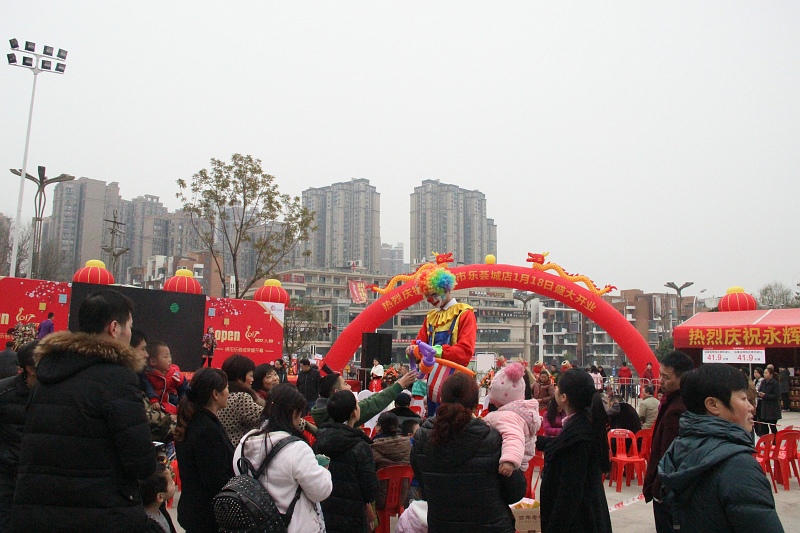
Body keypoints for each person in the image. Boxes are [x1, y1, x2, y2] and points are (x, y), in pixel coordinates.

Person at [11, 289, 156, 533]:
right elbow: (140, 462)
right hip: (99, 513)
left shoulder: (47, 373)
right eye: (129, 327)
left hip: (39, 511)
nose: (130, 334)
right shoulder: (117, 378)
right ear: (114, 328)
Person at [659, 364, 785, 532]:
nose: (751, 407)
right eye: (743, 399)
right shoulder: (739, 467)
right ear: (713, 405)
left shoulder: (679, 448)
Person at [411, 372, 526, 532]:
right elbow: (515, 492)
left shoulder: (422, 438)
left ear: (442, 400)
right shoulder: (492, 439)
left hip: (442, 526)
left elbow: (423, 488)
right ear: (476, 405)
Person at [234, 383, 332, 533]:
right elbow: (320, 491)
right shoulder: (296, 448)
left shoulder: (245, 442)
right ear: (294, 414)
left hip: (255, 526)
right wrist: (323, 470)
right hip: (292, 526)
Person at [536, 369, 611, 533]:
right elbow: (563, 445)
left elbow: (569, 493)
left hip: (579, 522)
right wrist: (537, 442)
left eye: (557, 386)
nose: (555, 388)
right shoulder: (584, 422)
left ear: (564, 397)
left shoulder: (579, 436)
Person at [403, 261, 476, 416]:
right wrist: (412, 349)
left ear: (446, 289)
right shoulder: (430, 317)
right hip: (432, 383)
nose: (431, 300)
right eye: (427, 296)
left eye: (434, 294)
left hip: (456, 385)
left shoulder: (464, 314)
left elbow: (465, 351)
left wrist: (438, 351)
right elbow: (418, 343)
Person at [174, 367, 234, 533]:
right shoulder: (206, 430)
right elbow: (215, 479)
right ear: (215, 394)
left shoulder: (194, 420)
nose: (228, 392)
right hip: (206, 516)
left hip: (196, 511)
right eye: (226, 388)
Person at [642, 350, 694, 533]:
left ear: (682, 378)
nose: (660, 381)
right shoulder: (677, 401)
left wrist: (657, 489)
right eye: (660, 375)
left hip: (668, 492)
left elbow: (667, 455)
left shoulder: (677, 410)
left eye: (666, 377)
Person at [315, 390, 380, 533]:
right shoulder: (360, 446)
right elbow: (370, 490)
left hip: (324, 514)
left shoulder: (320, 441)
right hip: (353, 518)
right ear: (354, 413)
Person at [0, 341, 37, 530]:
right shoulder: (5, 391)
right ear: (30, 368)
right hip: (8, 471)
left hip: (38, 474)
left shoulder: (56, 392)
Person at [483, 362, 541, 476]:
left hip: (509, 467)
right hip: (519, 466)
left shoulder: (507, 417)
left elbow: (514, 437)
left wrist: (509, 461)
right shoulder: (518, 413)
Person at [312, 370, 416, 428]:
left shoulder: (320, 413)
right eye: (345, 384)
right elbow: (373, 404)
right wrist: (399, 386)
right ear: (336, 392)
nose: (350, 387)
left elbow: (370, 401)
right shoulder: (342, 412)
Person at [217, 353, 265, 446]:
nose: (252, 379)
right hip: (239, 450)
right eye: (251, 375)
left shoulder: (223, 395)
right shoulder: (240, 398)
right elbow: (266, 417)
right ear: (239, 378)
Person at [371, 412, 412, 510]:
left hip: (378, 501)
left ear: (379, 427)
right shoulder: (408, 445)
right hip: (402, 498)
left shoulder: (372, 447)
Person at [143, 341, 189, 415]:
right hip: (157, 407)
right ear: (153, 361)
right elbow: (148, 388)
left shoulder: (175, 374)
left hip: (174, 405)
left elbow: (184, 389)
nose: (170, 359)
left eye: (169, 356)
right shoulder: (147, 375)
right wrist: (154, 399)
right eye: (166, 357)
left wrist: (182, 404)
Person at [139, 463, 178, 533]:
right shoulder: (149, 527)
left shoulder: (159, 510)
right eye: (171, 482)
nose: (174, 483)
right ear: (160, 497)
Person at [757, 367, 782, 434]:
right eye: (764, 373)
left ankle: (775, 439)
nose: (764, 374)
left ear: (771, 374)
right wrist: (759, 394)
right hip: (764, 408)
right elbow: (759, 390)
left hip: (773, 409)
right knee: (764, 427)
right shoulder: (763, 382)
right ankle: (766, 439)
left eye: (766, 373)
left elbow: (777, 396)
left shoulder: (775, 383)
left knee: (772, 427)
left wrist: (765, 395)